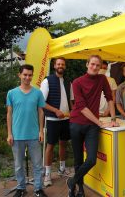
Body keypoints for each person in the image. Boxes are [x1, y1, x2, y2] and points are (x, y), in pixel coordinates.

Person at [67, 55, 119, 197]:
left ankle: (71, 182)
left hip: (91, 126)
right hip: (76, 123)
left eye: (98, 65)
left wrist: (113, 118)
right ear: (87, 64)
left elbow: (110, 97)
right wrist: (99, 122)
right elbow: (82, 107)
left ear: (101, 67)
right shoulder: (77, 82)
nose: (95, 67)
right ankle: (79, 189)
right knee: (78, 159)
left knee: (91, 160)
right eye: (92, 64)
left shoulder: (102, 79)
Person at [6, 64, 47, 197]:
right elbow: (9, 114)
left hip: (34, 135)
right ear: (20, 75)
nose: (27, 77)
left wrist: (41, 131)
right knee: (18, 165)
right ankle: (21, 188)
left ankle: (38, 189)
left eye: (30, 75)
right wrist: (9, 134)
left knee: (37, 165)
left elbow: (41, 113)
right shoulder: (11, 93)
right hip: (17, 135)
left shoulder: (37, 93)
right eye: (25, 74)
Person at [40, 57, 74, 187]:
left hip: (66, 119)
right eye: (58, 64)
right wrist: (56, 111)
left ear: (65, 66)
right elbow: (41, 102)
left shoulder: (68, 82)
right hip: (52, 119)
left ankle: (62, 169)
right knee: (50, 146)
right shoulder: (47, 81)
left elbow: (71, 101)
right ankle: (47, 174)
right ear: (54, 66)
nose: (61, 66)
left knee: (63, 144)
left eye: (63, 64)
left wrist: (73, 111)